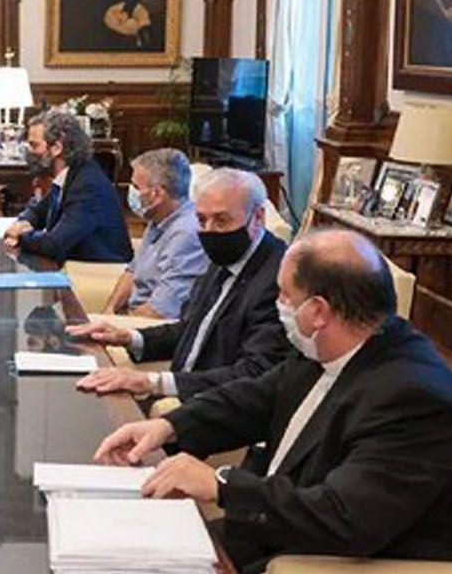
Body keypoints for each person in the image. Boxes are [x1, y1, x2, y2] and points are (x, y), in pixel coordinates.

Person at [94, 229, 452, 574]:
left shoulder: (415, 399)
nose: (277, 305)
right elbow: (257, 397)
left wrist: (221, 485)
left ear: (318, 311)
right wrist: (166, 426)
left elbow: (344, 518)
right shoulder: (329, 347)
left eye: (284, 295)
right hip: (281, 535)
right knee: (117, 557)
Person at [72, 168, 289, 400]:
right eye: (202, 220)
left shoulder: (279, 279)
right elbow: (192, 329)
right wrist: (129, 337)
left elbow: (254, 372)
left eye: (222, 220)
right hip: (182, 395)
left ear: (258, 218)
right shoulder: (222, 260)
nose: (209, 231)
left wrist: (153, 382)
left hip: (219, 408)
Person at [3, 109, 132, 263]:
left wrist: (21, 236)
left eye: (34, 145)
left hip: (100, 272)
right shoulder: (70, 175)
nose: (29, 152)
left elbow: (55, 244)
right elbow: (38, 211)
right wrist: (22, 223)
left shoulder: (87, 185)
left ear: (57, 148)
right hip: (76, 264)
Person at [101, 149, 207, 318]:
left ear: (157, 194)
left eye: (136, 187)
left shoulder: (186, 235)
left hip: (152, 328)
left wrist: (118, 328)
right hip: (132, 318)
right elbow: (132, 272)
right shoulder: (157, 218)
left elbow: (162, 310)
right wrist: (109, 312)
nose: (131, 192)